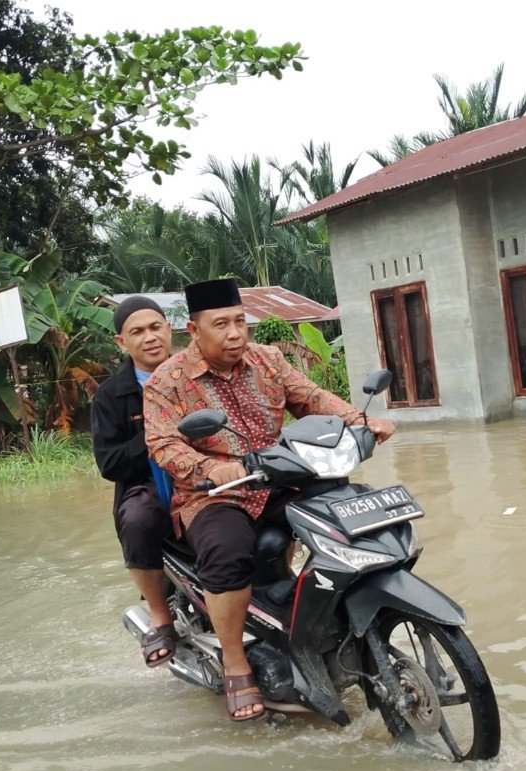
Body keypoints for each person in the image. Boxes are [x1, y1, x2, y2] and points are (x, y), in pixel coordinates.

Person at [143, 277, 395, 723]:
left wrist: (360, 421)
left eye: (240, 322)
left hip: (278, 477)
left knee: (349, 509)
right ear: (194, 329)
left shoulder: (269, 359)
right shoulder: (168, 381)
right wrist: (210, 468)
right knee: (227, 554)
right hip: (216, 495)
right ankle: (237, 663)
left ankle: (333, 620)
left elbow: (311, 398)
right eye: (221, 324)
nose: (235, 333)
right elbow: (163, 444)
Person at [90, 296, 177, 668]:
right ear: (121, 342)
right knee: (138, 520)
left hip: (210, 474)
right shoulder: (111, 395)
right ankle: (160, 616)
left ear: (169, 329)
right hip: (146, 484)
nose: (150, 338)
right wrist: (158, 435)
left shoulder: (199, 373)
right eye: (137, 332)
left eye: (156, 327)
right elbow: (109, 463)